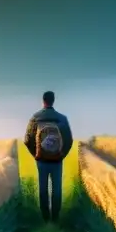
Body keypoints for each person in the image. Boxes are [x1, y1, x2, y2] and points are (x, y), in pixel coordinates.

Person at [24, 90, 73, 222]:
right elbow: (69, 140)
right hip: (57, 160)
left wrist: (36, 154)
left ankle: (45, 217)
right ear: (53, 100)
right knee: (56, 189)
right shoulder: (62, 118)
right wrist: (61, 154)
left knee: (43, 188)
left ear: (43, 101)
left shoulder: (35, 117)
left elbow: (27, 140)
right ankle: (55, 217)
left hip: (41, 160)